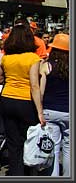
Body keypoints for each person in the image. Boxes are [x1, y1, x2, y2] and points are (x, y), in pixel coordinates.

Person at [0, 23, 45, 176]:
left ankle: (16, 173)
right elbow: (34, 86)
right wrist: (40, 112)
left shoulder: (6, 58)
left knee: (13, 142)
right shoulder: (33, 58)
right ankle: (29, 172)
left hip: (7, 98)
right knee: (28, 140)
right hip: (25, 101)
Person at [39, 33, 69, 177]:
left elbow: (41, 92)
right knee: (69, 148)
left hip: (50, 110)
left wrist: (39, 111)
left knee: (53, 148)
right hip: (69, 111)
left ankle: (54, 176)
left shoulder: (46, 66)